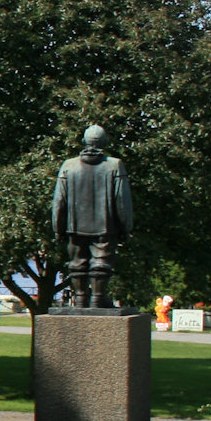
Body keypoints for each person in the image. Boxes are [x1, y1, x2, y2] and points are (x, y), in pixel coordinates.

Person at [51, 125, 133, 308]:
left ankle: (80, 298)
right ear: (105, 142)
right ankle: (97, 297)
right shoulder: (115, 165)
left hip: (74, 226)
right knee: (101, 262)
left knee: (77, 263)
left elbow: (59, 201)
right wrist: (126, 227)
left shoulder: (68, 166)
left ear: (84, 141)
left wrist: (58, 228)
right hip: (106, 226)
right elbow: (122, 201)